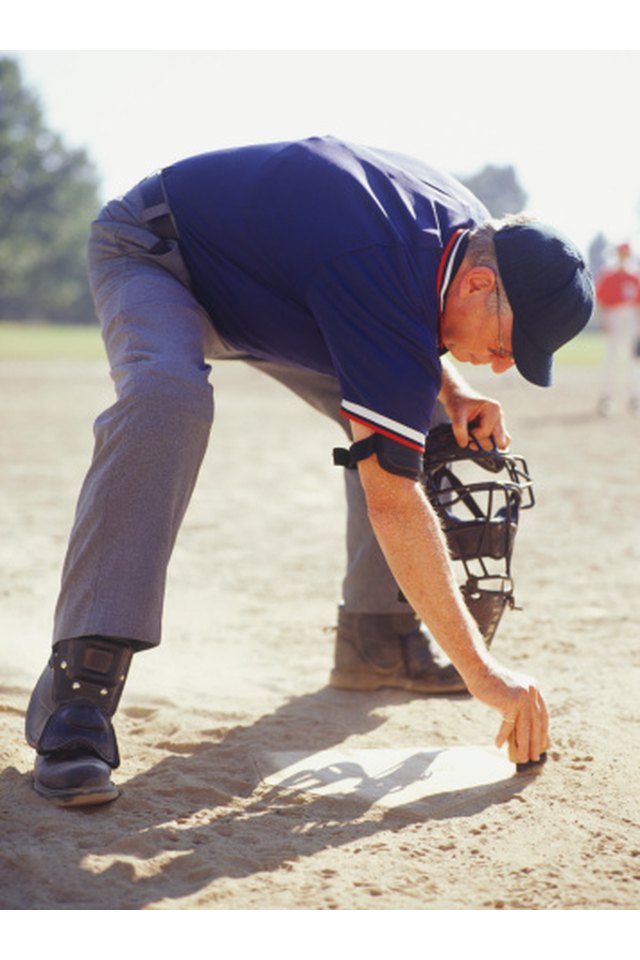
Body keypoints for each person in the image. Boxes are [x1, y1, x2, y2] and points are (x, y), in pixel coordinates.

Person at [25, 136, 594, 806]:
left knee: (434, 424)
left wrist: (453, 388)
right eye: (503, 348)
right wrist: (483, 671)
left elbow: (392, 304)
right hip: (160, 256)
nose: (500, 367)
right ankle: (78, 695)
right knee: (168, 397)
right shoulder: (379, 256)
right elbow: (393, 496)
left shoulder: (465, 241)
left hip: (284, 292)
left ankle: (378, 642)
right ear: (478, 283)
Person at [595, 242, 640, 417]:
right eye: (621, 254)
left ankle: (634, 399)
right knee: (610, 360)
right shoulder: (608, 276)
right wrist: (604, 320)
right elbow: (601, 301)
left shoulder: (634, 277)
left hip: (630, 318)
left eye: (626, 255)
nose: (623, 258)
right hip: (613, 317)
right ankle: (607, 399)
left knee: (632, 362)